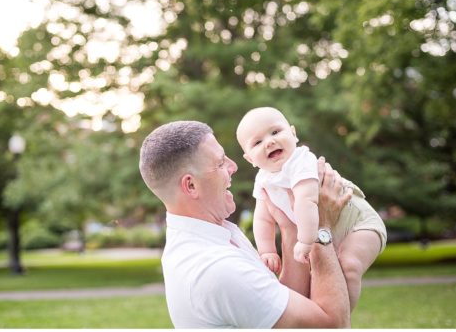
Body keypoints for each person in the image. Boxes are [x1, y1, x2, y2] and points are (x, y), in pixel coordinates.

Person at [138, 120, 352, 328]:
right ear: (191, 185)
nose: (233, 167)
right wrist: (320, 226)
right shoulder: (218, 268)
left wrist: (290, 228)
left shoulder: (214, 234)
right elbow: (333, 325)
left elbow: (281, 307)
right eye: (220, 163)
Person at [236, 106, 386, 309]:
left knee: (348, 266)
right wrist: (267, 250)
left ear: (293, 134)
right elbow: (262, 217)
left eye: (275, 132)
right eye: (257, 142)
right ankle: (325, 318)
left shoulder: (300, 161)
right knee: (322, 277)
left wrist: (306, 241)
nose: (269, 141)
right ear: (250, 159)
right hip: (324, 228)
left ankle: (339, 320)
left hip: (358, 222)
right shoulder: (263, 179)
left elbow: (307, 201)